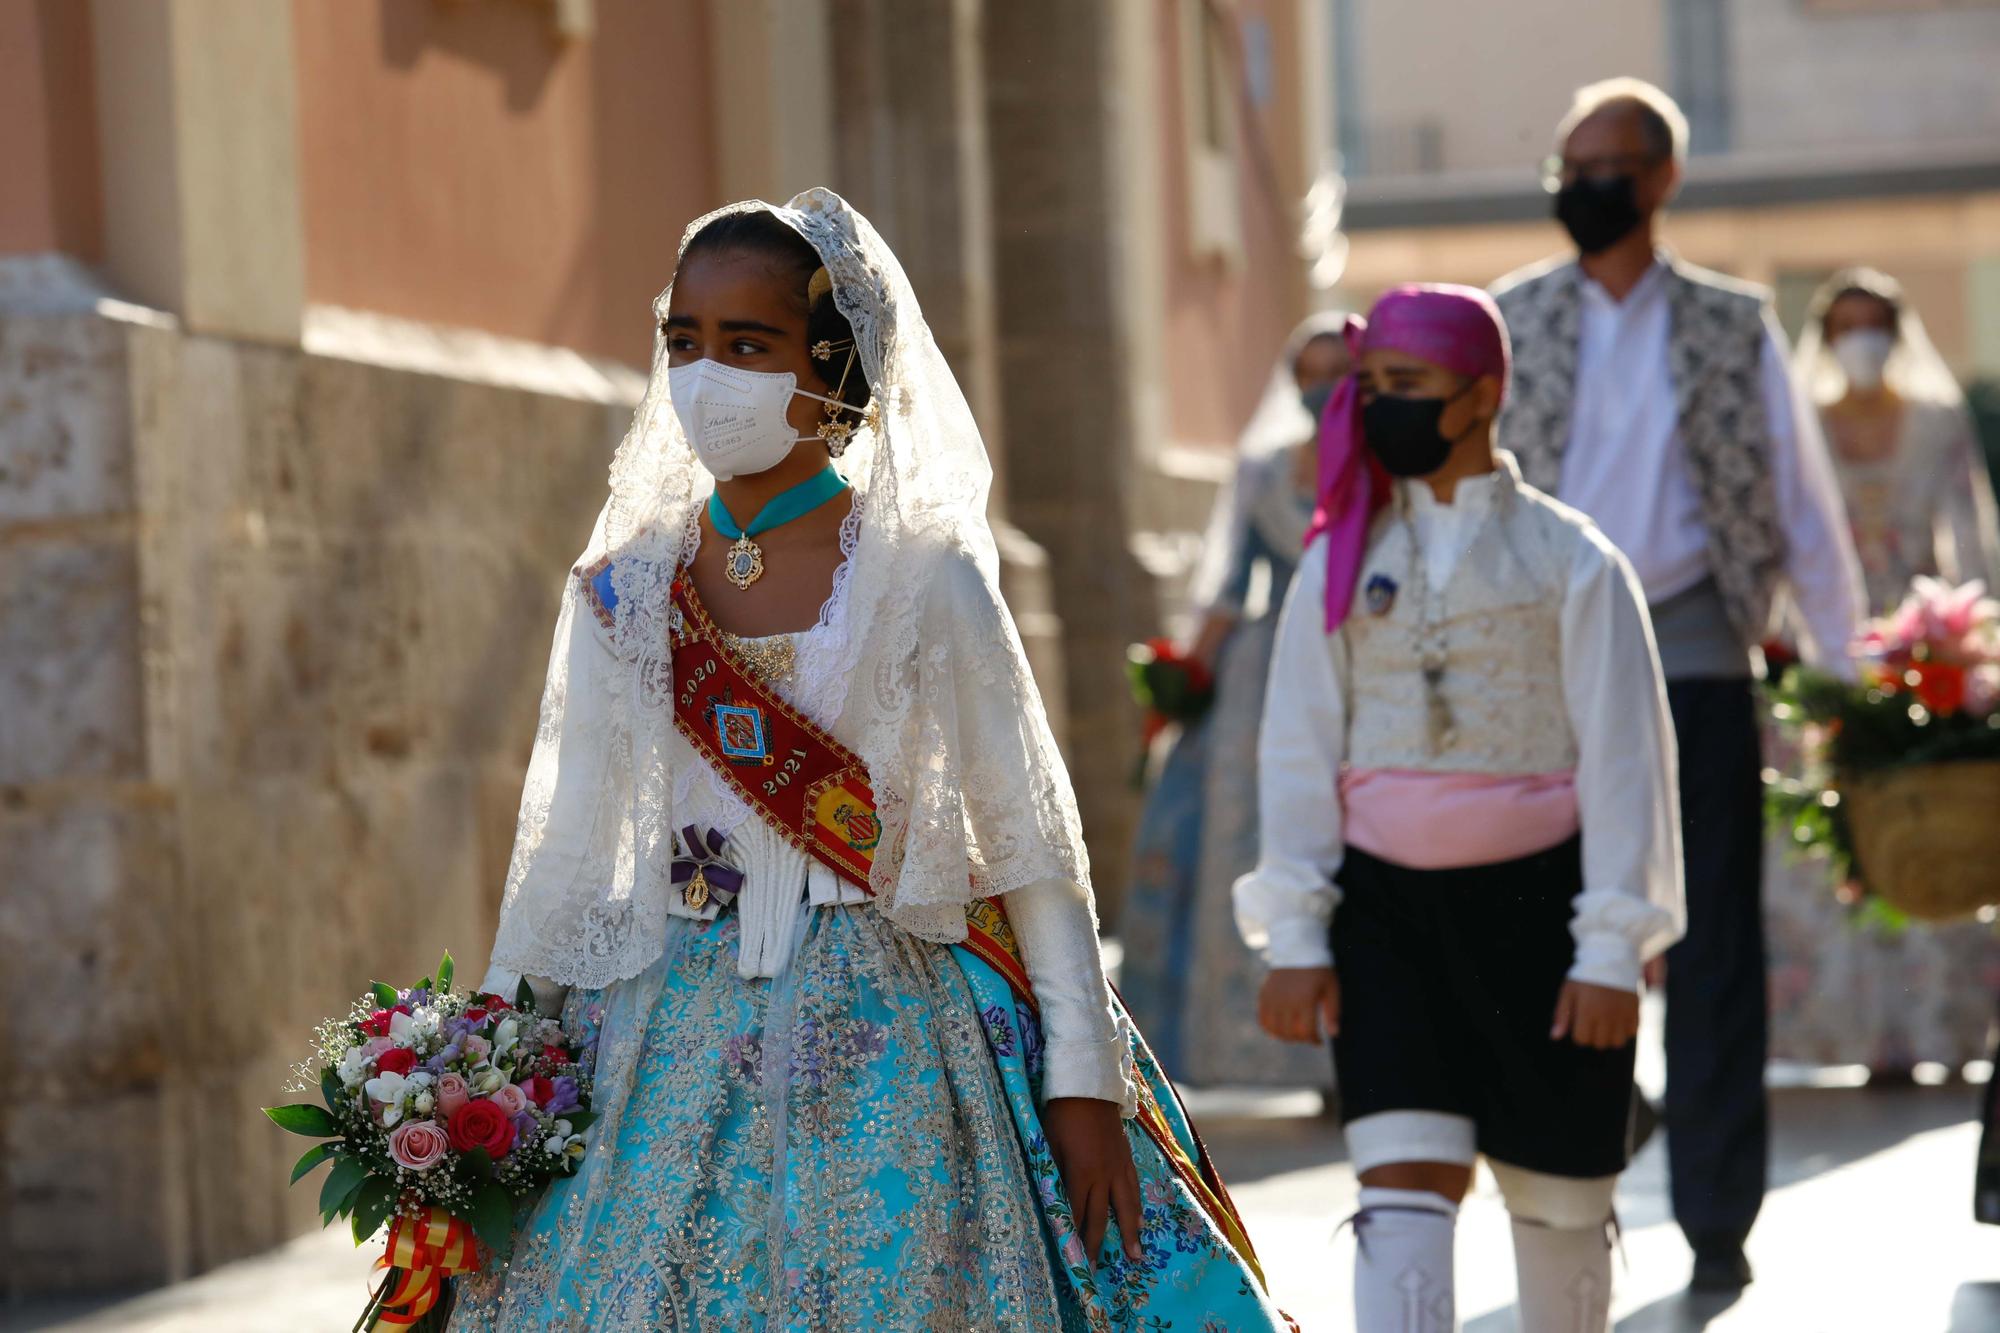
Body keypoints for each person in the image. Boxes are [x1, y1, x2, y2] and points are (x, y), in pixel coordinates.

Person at [449, 190, 1288, 1331]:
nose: (706, 376)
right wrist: (480, 1071)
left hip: (892, 1012)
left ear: (832, 371)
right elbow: (568, 848)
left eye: (747, 346)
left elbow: (1028, 834)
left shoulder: (920, 576)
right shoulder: (625, 587)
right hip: (660, 1021)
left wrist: (1083, 1072)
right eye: (683, 342)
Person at [1237, 284, 1683, 1333]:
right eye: (1371, 386)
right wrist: (1294, 930)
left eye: (1407, 386)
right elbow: (1297, 748)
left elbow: (1626, 759)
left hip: (1545, 925)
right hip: (1384, 924)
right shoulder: (1338, 562)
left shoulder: (1573, 560)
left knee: (1560, 1206)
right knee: (1397, 1200)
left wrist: (1612, 949)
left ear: (1480, 395)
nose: (1380, 406)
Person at [1492, 77, 1865, 1293]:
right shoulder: (1510, 318)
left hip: (1696, 643)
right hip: (1541, 652)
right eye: (1566, 160)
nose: (1579, 184)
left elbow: (1802, 510)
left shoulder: (1729, 322)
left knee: (1705, 943)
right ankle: (1570, 1184)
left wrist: (1844, 675)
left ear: (1657, 180)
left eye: (1602, 163)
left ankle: (1715, 1212)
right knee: (1555, 930)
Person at [1764, 268, 2000, 1077]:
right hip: (1830, 648)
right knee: (1836, 827)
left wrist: (1971, 646)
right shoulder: (1804, 426)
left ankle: (1940, 1026)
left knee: (1935, 819)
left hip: (1922, 648)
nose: (1861, 341)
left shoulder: (1935, 424)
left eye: (1875, 324)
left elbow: (1970, 543)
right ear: (1827, 337)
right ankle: (1850, 1029)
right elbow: (1785, 539)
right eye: (1846, 325)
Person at [1121, 313, 1352, 1089]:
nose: (1323, 389)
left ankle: (1348, 1054)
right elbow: (1225, 592)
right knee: (1242, 838)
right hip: (1265, 673)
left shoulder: (1380, 467)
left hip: (1356, 653)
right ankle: (1242, 1045)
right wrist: (1186, 686)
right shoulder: (1262, 471)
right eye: (1309, 374)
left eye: (1338, 372)